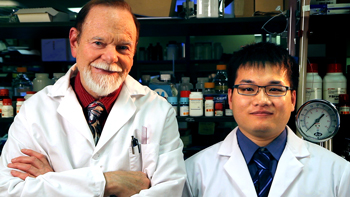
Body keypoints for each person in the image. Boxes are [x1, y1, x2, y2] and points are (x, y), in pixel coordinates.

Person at [0, 0, 186, 196]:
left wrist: (55, 182)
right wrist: (106, 182)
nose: (110, 57)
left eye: (123, 47)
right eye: (98, 43)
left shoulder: (158, 110)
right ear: (74, 42)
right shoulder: (34, 111)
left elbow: (169, 191)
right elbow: (10, 191)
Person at [183, 42, 350, 197]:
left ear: (292, 99)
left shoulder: (338, 173)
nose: (262, 100)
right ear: (230, 98)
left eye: (275, 89)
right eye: (248, 88)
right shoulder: (194, 173)